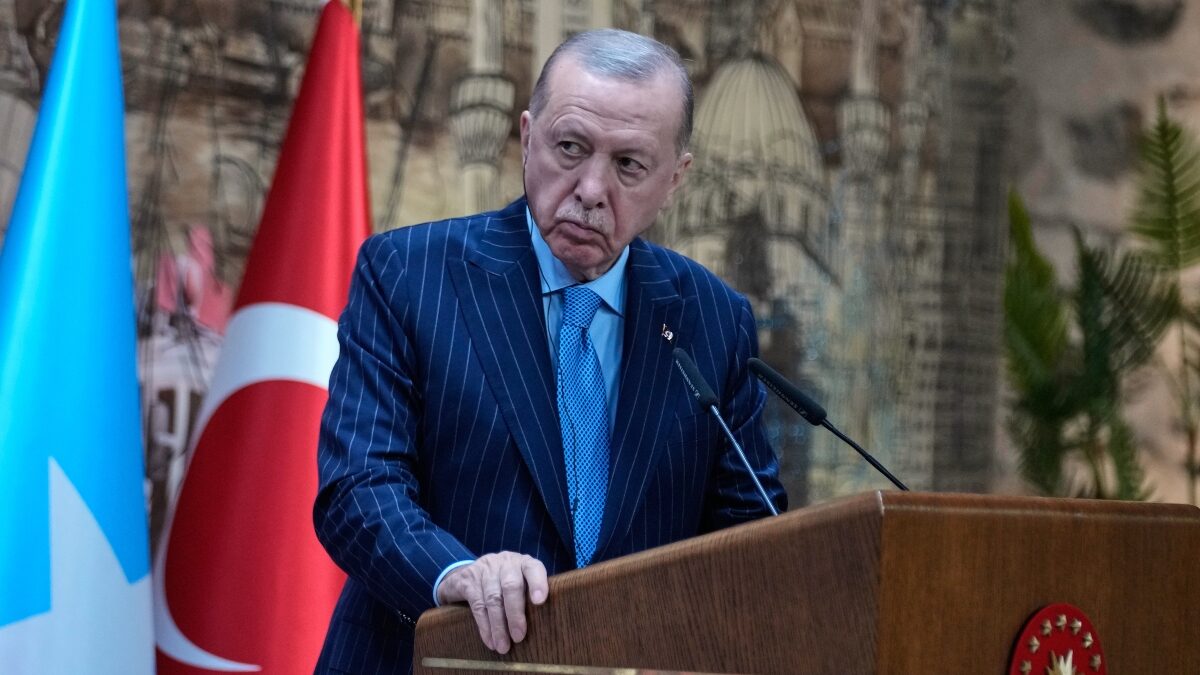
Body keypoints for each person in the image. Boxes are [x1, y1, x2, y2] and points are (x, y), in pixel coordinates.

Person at [313, 28, 786, 673]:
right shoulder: (409, 274)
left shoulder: (713, 318)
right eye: (570, 147)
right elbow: (358, 489)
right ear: (527, 136)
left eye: (628, 165)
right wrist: (455, 573)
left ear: (675, 179)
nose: (591, 189)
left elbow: (750, 531)